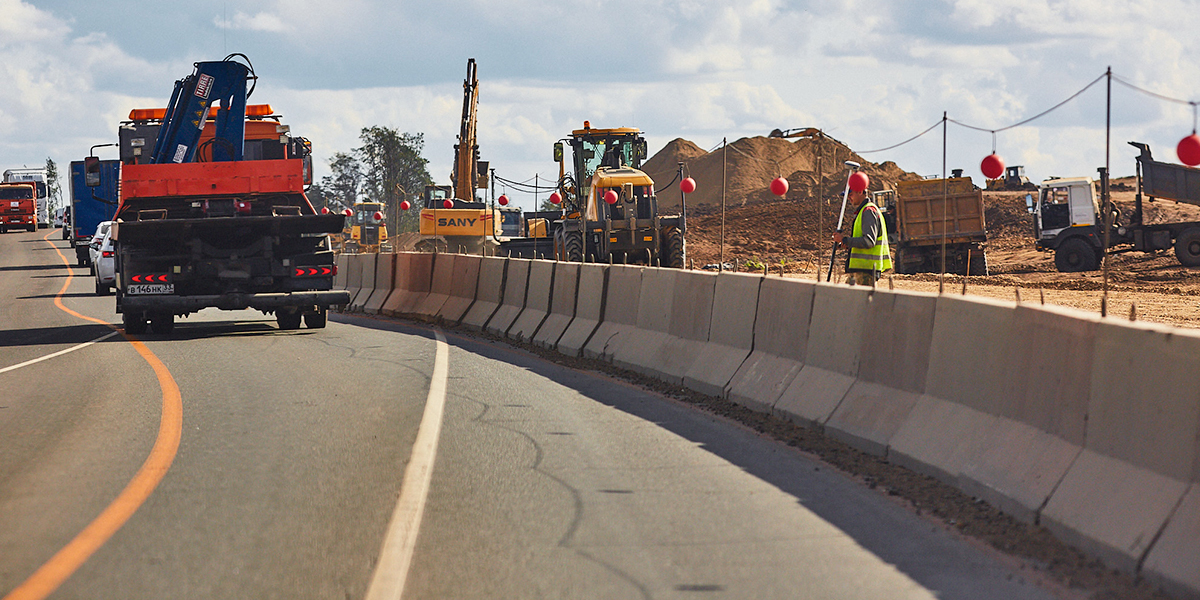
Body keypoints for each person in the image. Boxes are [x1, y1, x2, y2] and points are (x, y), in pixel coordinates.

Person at [832, 184, 892, 285]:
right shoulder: (863, 211)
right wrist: (847, 244)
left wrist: (845, 240)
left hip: (865, 272)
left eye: (850, 194)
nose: (849, 198)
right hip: (861, 271)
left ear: (860, 192)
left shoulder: (868, 211)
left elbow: (868, 241)